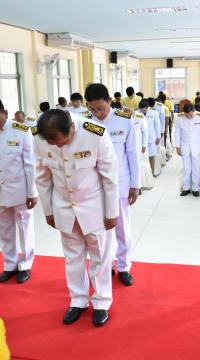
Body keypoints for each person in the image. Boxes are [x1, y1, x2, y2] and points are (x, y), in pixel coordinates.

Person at [34, 109, 119, 327]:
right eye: (54, 144)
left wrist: (112, 213)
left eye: (63, 142)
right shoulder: (40, 137)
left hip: (94, 206)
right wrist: (48, 211)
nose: (60, 147)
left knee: (100, 256)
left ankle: (101, 302)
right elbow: (42, 177)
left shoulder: (95, 133)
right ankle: (78, 300)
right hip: (63, 206)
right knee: (72, 257)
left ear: (72, 127)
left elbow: (110, 175)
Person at [0, 97, 38, 284]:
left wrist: (32, 192)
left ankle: (26, 264)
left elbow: (30, 164)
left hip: (20, 189)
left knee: (25, 228)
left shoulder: (22, 131)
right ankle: (9, 264)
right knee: (4, 230)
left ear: (5, 113)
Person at [85, 83, 140, 286]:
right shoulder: (85, 123)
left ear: (110, 101)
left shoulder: (124, 120)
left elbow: (132, 154)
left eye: (101, 107)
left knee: (122, 228)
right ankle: (105, 265)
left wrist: (135, 184)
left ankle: (124, 266)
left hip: (120, 183)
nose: (97, 113)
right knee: (99, 230)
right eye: (93, 109)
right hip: (94, 186)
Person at [175, 103, 200, 197]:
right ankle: (186, 188)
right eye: (187, 115)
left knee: (196, 167)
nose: (189, 117)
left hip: (197, 146)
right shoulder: (180, 118)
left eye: (191, 115)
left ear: (194, 111)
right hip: (184, 145)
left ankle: (195, 188)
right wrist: (177, 146)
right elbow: (177, 132)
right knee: (186, 168)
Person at [140, 100, 161, 175]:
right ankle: (145, 174)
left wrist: (158, 137)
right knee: (143, 156)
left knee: (152, 155)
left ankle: (152, 172)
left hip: (152, 137)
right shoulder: (137, 113)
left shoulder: (153, 112)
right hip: (141, 138)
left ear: (147, 107)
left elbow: (157, 125)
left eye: (144, 109)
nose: (143, 111)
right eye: (141, 109)